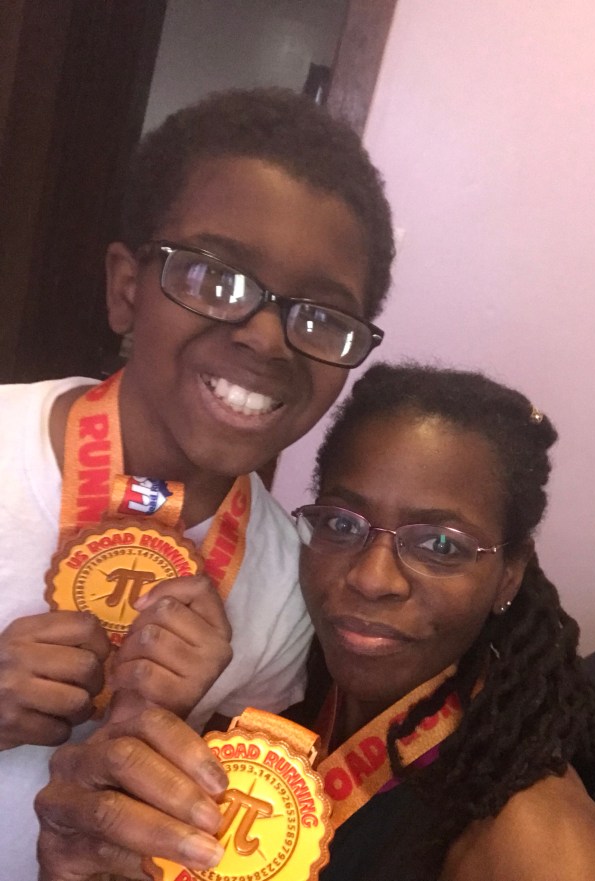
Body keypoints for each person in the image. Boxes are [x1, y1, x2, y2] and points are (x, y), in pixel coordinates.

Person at [0, 87, 394, 878]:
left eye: (321, 318)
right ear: (126, 289)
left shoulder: (290, 591)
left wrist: (189, 732)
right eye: (216, 278)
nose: (267, 338)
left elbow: (208, 843)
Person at [35, 363, 595, 881]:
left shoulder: (535, 843)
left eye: (440, 544)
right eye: (342, 524)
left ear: (509, 575)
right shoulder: (280, 675)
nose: (371, 578)